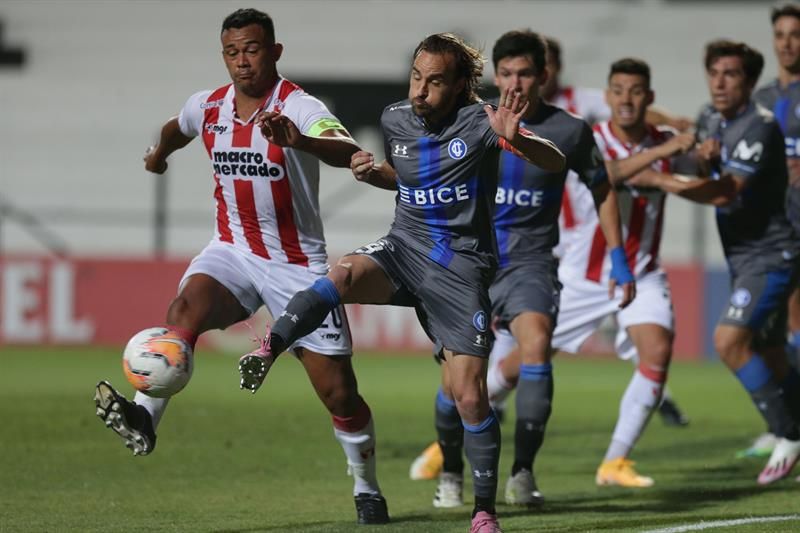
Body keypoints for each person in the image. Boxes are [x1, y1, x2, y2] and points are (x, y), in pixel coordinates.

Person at [237, 32, 565, 533]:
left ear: (459, 87)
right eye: (416, 77)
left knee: (470, 397)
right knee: (343, 272)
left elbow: (555, 162)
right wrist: (375, 174)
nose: (420, 91)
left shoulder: (483, 121)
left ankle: (483, 511)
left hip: (459, 269)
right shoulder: (395, 119)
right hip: (404, 248)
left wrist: (516, 137)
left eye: (434, 82)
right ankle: (270, 346)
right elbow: (414, 178)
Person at [92, 8, 392, 524]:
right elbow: (175, 127)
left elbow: (345, 149)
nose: (242, 62)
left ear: (274, 52)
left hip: (296, 266)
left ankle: (366, 487)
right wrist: (158, 156)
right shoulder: (208, 106)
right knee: (183, 309)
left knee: (338, 392)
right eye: (232, 52)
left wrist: (299, 141)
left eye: (252, 50)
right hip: (232, 250)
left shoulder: (298, 105)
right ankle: (145, 417)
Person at [409, 31, 633, 509]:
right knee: (456, 383)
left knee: (537, 345)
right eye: (506, 72)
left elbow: (603, 187)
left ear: (544, 76)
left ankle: (523, 473)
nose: (515, 82)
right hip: (470, 264)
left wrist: (618, 258)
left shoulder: (569, 131)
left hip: (530, 263)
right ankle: (450, 473)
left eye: (525, 73)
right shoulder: (473, 120)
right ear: (495, 75)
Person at [629, 39, 800, 484]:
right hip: (743, 256)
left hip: (772, 254)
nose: (720, 83)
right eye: (715, 73)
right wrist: (697, 162)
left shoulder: (759, 126)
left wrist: (663, 180)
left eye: (732, 74)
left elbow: (727, 192)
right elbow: (704, 170)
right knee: (771, 352)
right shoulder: (708, 117)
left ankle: (789, 433)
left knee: (727, 340)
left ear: (748, 82)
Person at [544, 36, 691, 427]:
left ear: (555, 68)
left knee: (623, 323)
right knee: (529, 335)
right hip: (547, 238)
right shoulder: (514, 109)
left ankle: (659, 394)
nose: (540, 73)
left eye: (546, 65)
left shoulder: (580, 100)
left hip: (582, 237)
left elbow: (631, 104)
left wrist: (671, 124)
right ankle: (490, 400)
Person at [739, 3, 800, 460]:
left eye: (795, 34)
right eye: (780, 34)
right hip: (771, 233)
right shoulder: (758, 99)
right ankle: (784, 425)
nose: (787, 42)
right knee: (767, 339)